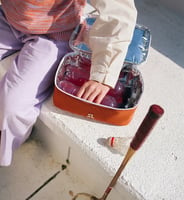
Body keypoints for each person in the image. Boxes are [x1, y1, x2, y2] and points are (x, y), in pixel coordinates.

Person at [0, 0, 137, 166]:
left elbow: (118, 12)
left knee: (13, 105)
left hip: (55, 35)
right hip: (8, 18)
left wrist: (103, 73)